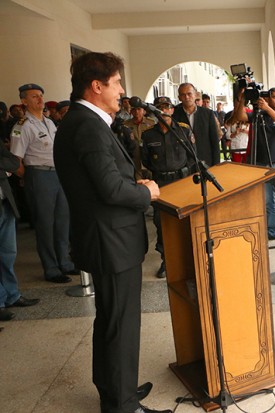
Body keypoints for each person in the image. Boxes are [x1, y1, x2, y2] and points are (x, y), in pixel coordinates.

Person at [53, 51, 169, 413]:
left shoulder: (84, 121)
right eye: (117, 82)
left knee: (111, 320)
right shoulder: (86, 126)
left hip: (107, 238)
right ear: (96, 86)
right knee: (120, 323)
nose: (121, 90)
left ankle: (117, 389)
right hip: (110, 241)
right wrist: (145, 192)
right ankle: (122, 404)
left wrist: (133, 182)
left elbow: (103, 180)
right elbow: (110, 191)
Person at [10, 83, 77, 283]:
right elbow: (15, 161)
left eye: (40, 95)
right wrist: (28, 177)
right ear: (23, 101)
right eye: (34, 96)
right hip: (39, 176)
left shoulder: (49, 123)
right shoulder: (22, 126)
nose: (39, 99)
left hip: (58, 175)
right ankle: (51, 268)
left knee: (62, 220)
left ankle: (65, 262)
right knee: (45, 224)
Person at [232, 87, 275, 246]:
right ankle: (271, 231)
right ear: (267, 98)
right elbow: (240, 116)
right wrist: (241, 100)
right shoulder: (258, 115)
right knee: (268, 201)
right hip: (261, 163)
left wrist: (267, 108)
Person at [141, 96, 195, 278]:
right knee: (161, 221)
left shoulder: (183, 130)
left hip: (181, 182)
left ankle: (188, 259)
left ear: (172, 110)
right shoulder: (148, 135)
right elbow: (146, 160)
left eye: (167, 107)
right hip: (161, 184)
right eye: (159, 108)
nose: (163, 111)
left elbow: (192, 155)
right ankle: (167, 260)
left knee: (185, 219)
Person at [0, 143, 40, 321]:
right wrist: (4, 169)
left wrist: (4, 167)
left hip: (4, 204)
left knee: (8, 254)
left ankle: (12, 295)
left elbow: (14, 163)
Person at [172, 83, 220, 167]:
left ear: (195, 95)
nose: (186, 97)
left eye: (189, 94)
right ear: (179, 98)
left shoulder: (207, 114)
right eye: (183, 95)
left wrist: (216, 165)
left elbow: (214, 141)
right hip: (183, 164)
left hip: (205, 162)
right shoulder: (174, 114)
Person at [124, 103, 156, 179]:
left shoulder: (151, 123)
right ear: (131, 111)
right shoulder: (126, 125)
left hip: (149, 157)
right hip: (134, 159)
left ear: (144, 111)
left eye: (139, 109)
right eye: (134, 109)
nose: (136, 112)